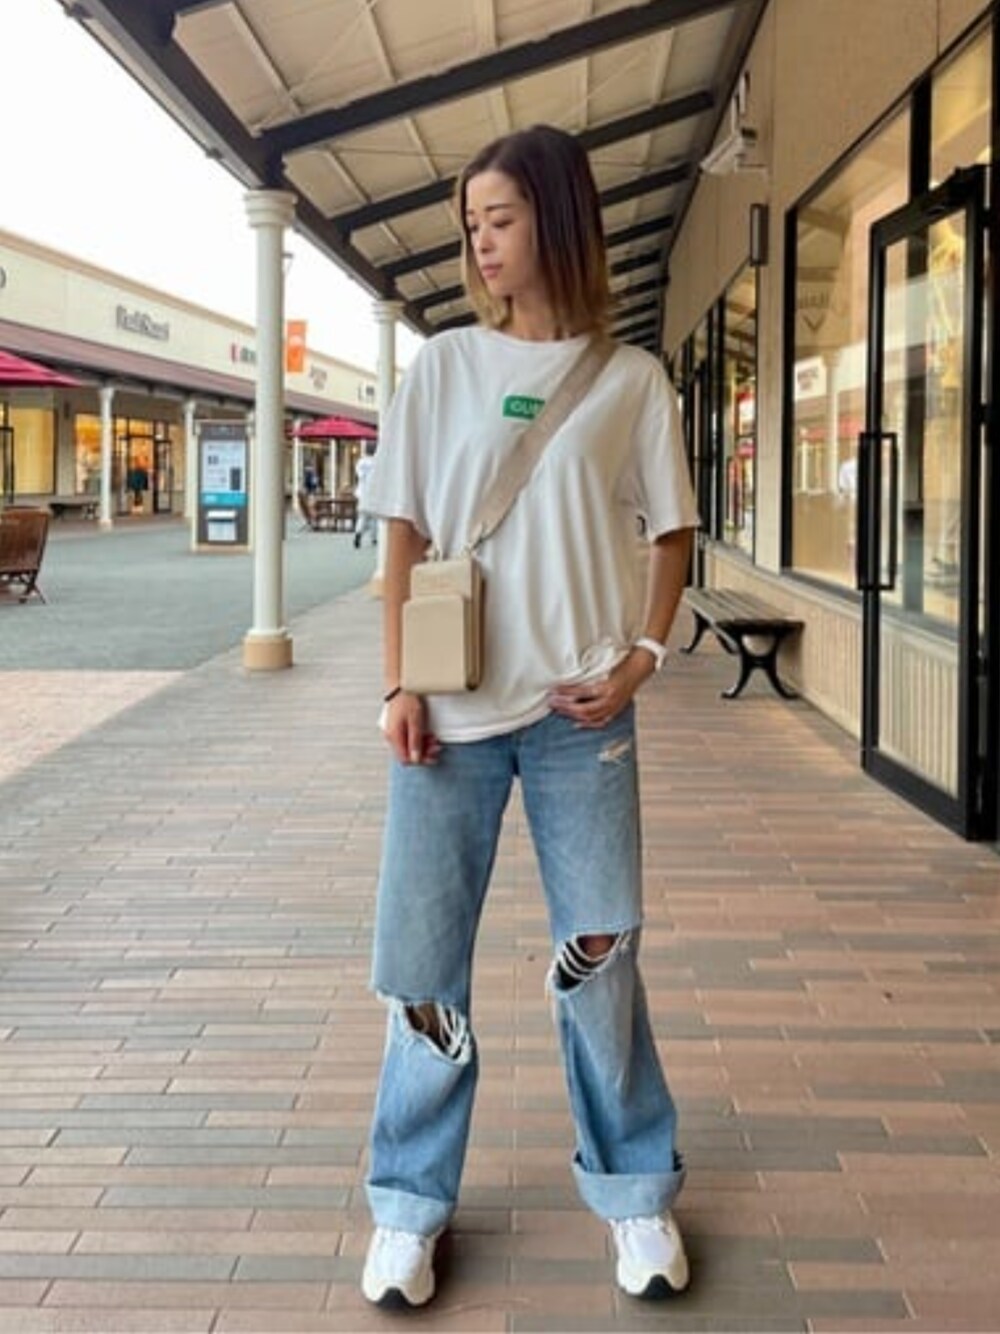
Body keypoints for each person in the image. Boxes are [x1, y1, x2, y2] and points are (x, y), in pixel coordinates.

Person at [360, 123, 699, 1311]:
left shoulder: (632, 378)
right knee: (419, 968)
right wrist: (397, 681)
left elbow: (671, 533)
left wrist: (643, 657)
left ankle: (634, 1186)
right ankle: (406, 1204)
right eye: (471, 224)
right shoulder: (443, 365)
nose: (480, 243)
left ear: (556, 218)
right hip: (447, 715)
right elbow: (402, 532)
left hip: (578, 715)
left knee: (602, 951)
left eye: (499, 218)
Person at [352, 444, 378, 548]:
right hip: (373, 492)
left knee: (362, 516)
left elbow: (359, 476)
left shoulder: (360, 462)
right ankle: (374, 538)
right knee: (374, 517)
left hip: (362, 493)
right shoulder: (376, 462)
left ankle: (358, 532)